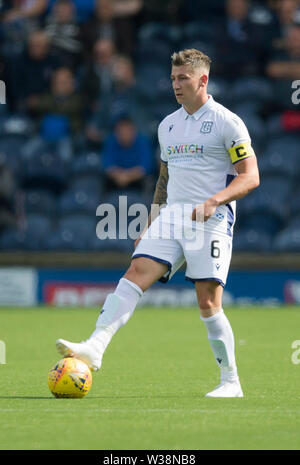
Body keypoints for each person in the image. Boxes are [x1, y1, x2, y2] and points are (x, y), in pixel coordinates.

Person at [56, 48, 260, 398]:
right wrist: (151, 222)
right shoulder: (168, 125)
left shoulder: (228, 122)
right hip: (171, 217)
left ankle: (231, 381)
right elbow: (164, 180)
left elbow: (251, 176)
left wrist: (216, 200)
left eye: (183, 78)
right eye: (173, 79)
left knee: (208, 303)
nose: (176, 85)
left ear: (202, 80)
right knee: (135, 273)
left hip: (209, 220)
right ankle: (95, 345)